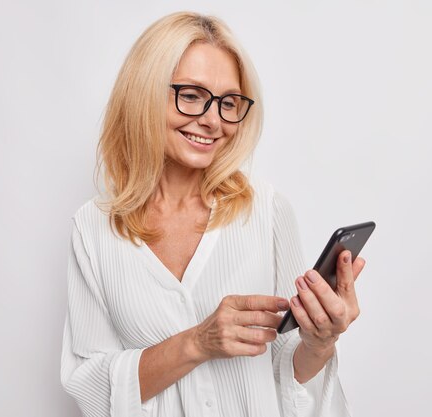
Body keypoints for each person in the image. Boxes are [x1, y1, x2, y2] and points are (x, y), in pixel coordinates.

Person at [60, 11, 365, 417]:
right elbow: (91, 386)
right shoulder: (93, 228)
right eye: (190, 95)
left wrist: (320, 341)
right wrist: (198, 342)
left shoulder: (267, 211)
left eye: (229, 102)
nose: (212, 119)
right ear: (143, 93)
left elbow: (288, 371)